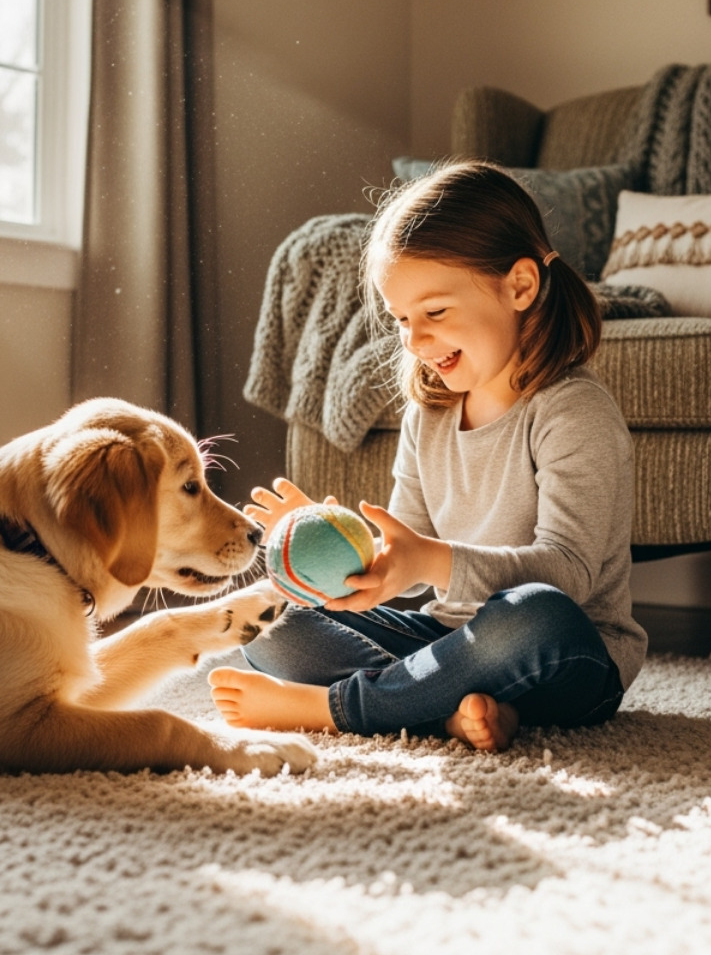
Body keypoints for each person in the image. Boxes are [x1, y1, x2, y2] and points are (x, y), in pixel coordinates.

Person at [209, 160, 647, 751]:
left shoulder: (572, 412)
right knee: (264, 619)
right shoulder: (430, 414)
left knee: (533, 612)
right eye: (402, 320)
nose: (414, 341)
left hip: (566, 653)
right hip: (447, 643)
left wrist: (431, 562)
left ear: (520, 286)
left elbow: (567, 573)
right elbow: (404, 562)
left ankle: (342, 709)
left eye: (435, 313)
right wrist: (334, 550)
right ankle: (443, 711)